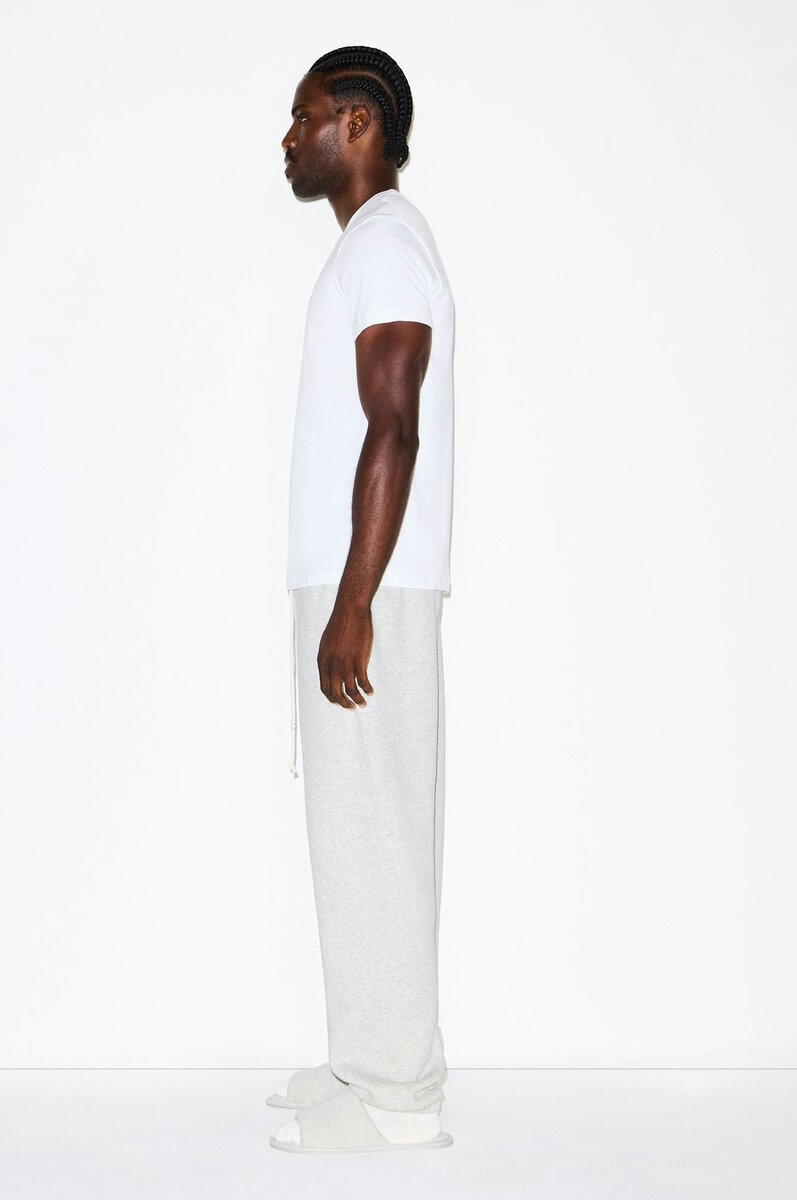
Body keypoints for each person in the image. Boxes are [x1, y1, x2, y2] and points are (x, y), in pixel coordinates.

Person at [267, 46, 456, 1155]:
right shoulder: (371, 247)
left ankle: (396, 1098)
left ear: (358, 125)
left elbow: (396, 425)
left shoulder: (385, 243)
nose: (288, 138)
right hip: (355, 582)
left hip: (370, 590)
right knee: (356, 831)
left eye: (304, 117)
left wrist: (355, 603)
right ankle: (368, 1057)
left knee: (375, 829)